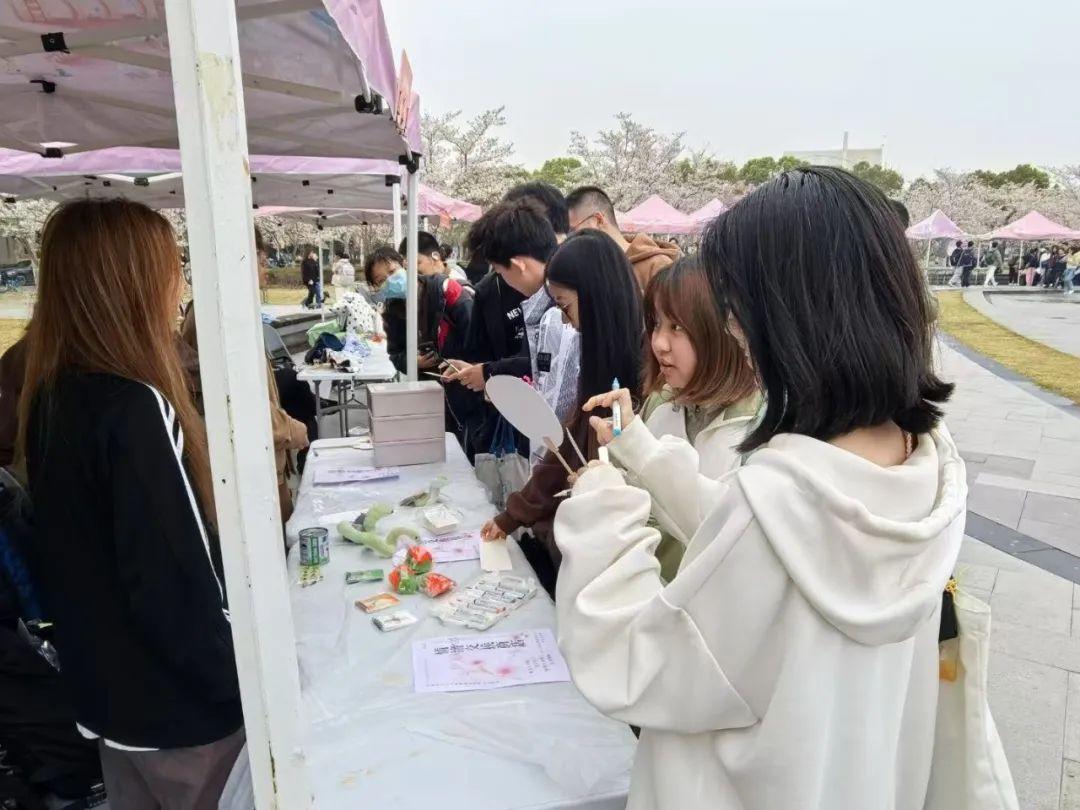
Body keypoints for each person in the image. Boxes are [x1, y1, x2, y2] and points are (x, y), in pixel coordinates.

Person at [554, 167, 966, 809]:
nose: (734, 331)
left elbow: (636, 663)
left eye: (736, 310)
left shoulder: (777, 499)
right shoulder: (927, 466)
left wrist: (601, 503)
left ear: (788, 316)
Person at [19, 199, 244, 808]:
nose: (179, 289)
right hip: (184, 717)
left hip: (109, 704)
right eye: (172, 270)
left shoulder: (52, 396)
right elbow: (175, 584)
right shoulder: (136, 406)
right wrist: (244, 680)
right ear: (131, 284)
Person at [480, 229, 643, 595]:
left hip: (616, 561)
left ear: (597, 296)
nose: (566, 322)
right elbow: (566, 446)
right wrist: (513, 515)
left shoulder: (641, 371)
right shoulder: (600, 360)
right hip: (586, 545)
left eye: (566, 306)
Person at [630, 257, 760, 581]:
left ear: (723, 330)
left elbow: (731, 536)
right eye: (655, 324)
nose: (659, 343)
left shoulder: (760, 426)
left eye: (676, 327)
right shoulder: (659, 403)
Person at [566, 185, 680, 290]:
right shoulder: (588, 269)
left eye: (572, 230)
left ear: (598, 220)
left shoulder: (658, 266)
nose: (570, 239)